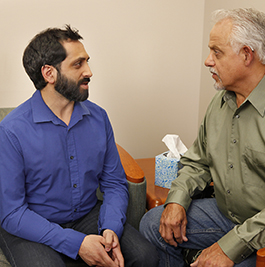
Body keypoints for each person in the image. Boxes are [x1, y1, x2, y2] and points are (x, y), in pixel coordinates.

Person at [140, 7, 265, 267]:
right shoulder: (220, 101)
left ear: (247, 55)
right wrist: (177, 201)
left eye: (216, 52)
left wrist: (230, 246)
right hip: (226, 214)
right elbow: (197, 162)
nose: (207, 60)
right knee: (151, 224)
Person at [0, 25, 158, 267]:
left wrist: (110, 228)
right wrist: (77, 243)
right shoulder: (11, 130)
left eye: (87, 62)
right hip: (31, 223)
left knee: (145, 256)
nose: (89, 72)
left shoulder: (99, 117)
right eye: (78, 64)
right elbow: (12, 213)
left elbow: (114, 183)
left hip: (87, 215)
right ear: (49, 73)